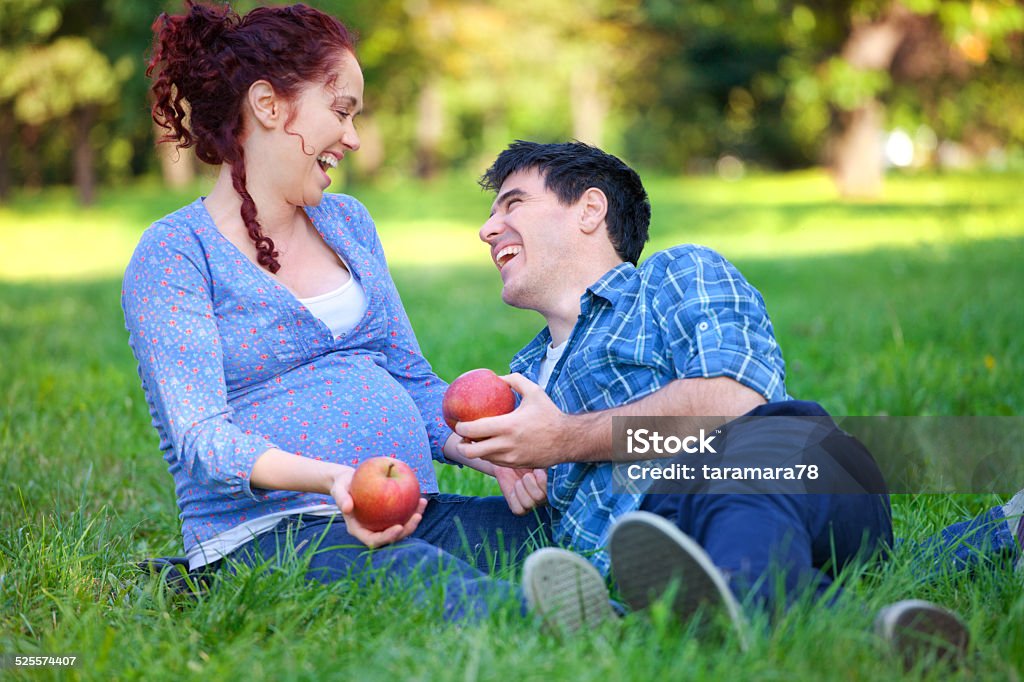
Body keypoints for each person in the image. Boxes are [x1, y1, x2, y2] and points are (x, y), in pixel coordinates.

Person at [455, 140, 986, 662]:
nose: (487, 228)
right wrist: (487, 456)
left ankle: (723, 600)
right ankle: (856, 630)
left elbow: (732, 402)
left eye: (514, 202)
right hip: (661, 546)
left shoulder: (676, 277)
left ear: (590, 209)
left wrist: (563, 439)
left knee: (740, 458)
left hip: (790, 478)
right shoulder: (523, 384)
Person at [126, 1, 558, 622]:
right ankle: (571, 626)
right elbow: (202, 441)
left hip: (405, 512)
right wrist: (334, 481)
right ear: (269, 105)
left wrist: (483, 450)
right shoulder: (176, 253)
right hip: (270, 533)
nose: (352, 137)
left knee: (547, 531)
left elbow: (409, 379)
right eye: (341, 110)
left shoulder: (349, 223)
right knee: (424, 577)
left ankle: (678, 599)